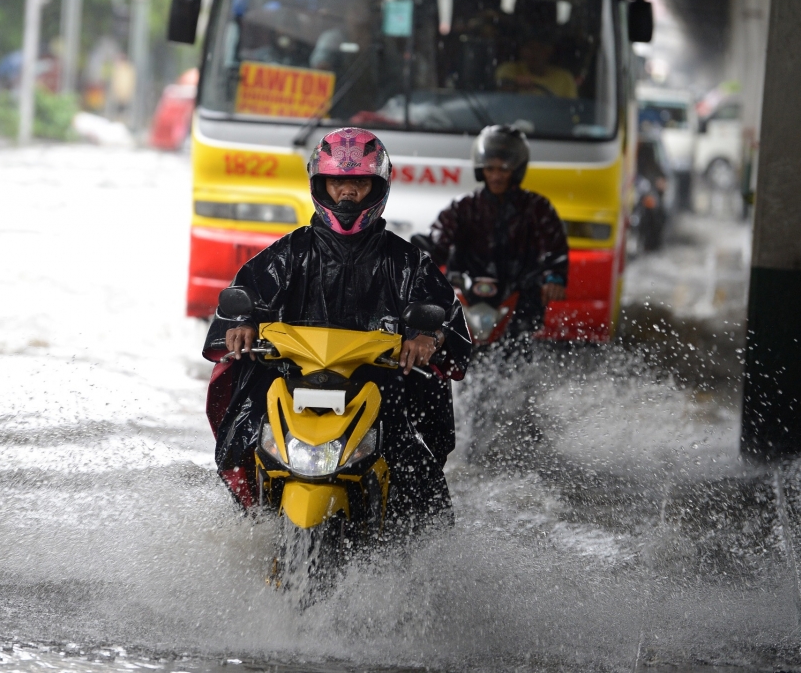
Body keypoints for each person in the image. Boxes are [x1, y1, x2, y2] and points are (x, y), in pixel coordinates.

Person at [203, 127, 472, 530]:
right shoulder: (288, 252)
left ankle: (416, 548)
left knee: (417, 466)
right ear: (320, 185)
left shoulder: (409, 262)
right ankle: (250, 522)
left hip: (380, 387)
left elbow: (446, 313)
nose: (347, 192)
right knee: (241, 432)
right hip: (292, 380)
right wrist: (241, 323)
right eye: (337, 181)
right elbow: (244, 295)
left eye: (359, 182)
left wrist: (428, 337)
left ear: (377, 186)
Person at [421, 124, 569, 336]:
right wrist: (423, 263)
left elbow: (554, 246)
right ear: (481, 170)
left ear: (516, 170)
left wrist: (554, 277)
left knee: (522, 342)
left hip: (519, 294)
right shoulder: (462, 206)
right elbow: (438, 239)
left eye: (503, 169)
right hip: (465, 292)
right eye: (490, 169)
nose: (496, 176)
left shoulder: (538, 208)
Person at [495, 39, 577, 99]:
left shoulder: (565, 77)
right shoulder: (508, 70)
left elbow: (570, 109)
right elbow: (501, 95)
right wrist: (515, 85)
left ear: (549, 51)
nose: (532, 53)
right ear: (522, 50)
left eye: (538, 49)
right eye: (529, 48)